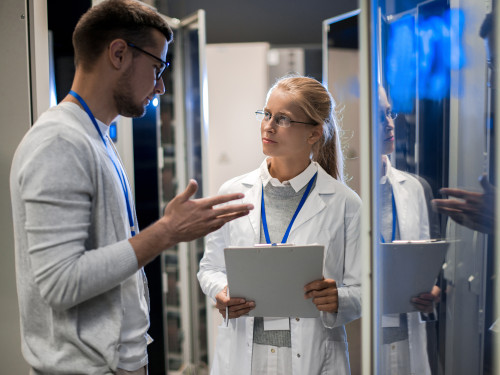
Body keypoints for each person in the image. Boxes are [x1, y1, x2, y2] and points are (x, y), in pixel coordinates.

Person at [9, 1, 253, 374]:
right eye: (157, 67)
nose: (161, 85)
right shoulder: (59, 143)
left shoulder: (97, 137)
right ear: (119, 53)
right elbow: (59, 282)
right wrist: (167, 232)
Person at [197, 75, 362, 375]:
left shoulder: (345, 203)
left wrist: (339, 297)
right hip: (245, 355)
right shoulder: (232, 192)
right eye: (267, 114)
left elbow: (365, 288)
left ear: (314, 134)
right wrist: (222, 290)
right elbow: (209, 267)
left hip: (312, 357)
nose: (268, 126)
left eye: (283, 119)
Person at [378, 85, 441, 375]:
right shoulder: (337, 195)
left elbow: (427, 265)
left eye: (390, 113)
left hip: (407, 340)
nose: (389, 123)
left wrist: (434, 290)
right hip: (361, 340)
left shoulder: (414, 188)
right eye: (379, 116)